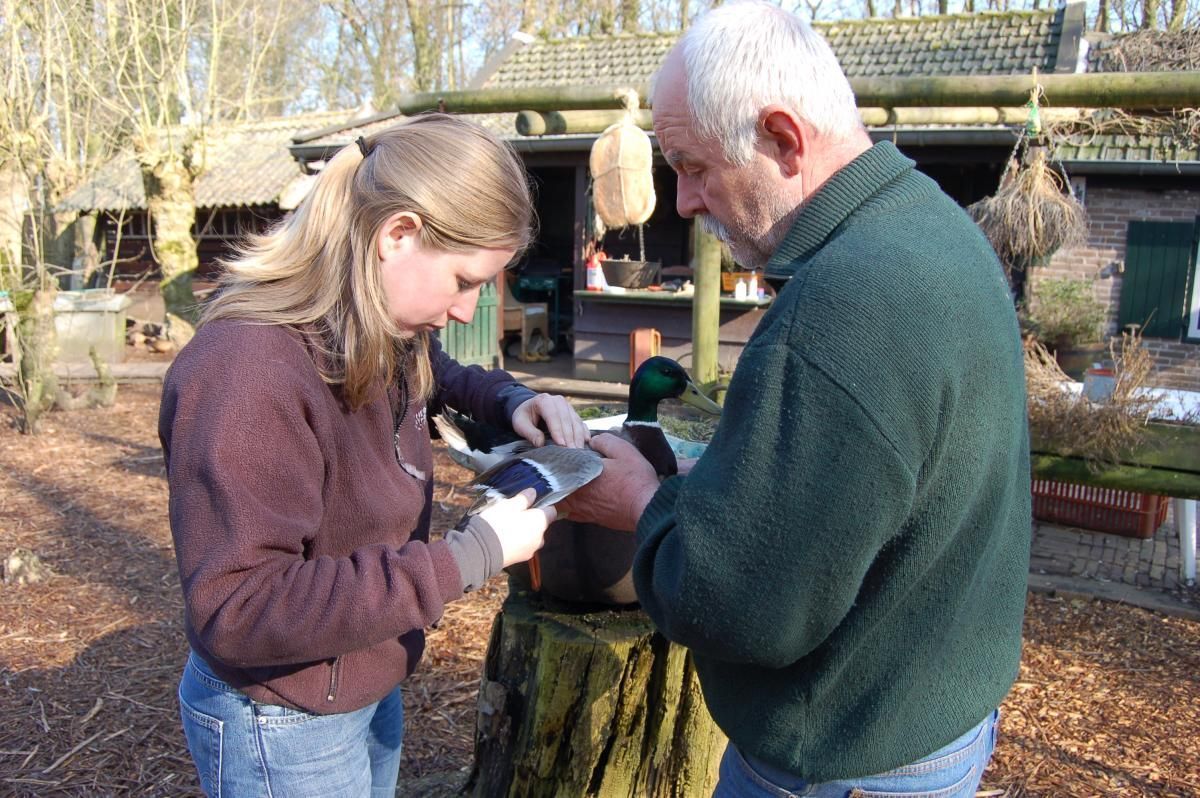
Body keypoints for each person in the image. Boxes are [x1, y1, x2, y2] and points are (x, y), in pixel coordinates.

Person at [559, 3, 1031, 796]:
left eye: (695, 166)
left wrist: (644, 504)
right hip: (930, 722)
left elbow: (742, 609)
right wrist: (723, 474)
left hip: (842, 756)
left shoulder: (843, 305)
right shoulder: (934, 229)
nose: (682, 202)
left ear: (782, 139)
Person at [159, 113, 589, 797]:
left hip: (358, 673)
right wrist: (466, 555)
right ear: (398, 234)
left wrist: (507, 400)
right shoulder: (247, 372)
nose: (463, 308)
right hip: (282, 712)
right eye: (463, 280)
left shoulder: (373, 321)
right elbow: (239, 608)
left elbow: (432, 368)